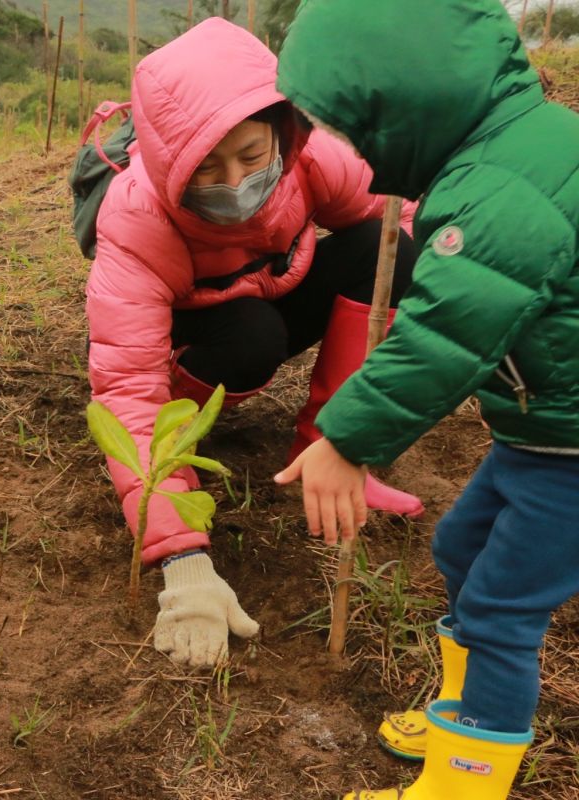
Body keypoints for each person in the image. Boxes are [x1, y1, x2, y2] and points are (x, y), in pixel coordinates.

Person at [273, 0, 579, 797]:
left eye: (348, 120)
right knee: (461, 554)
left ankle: (464, 784)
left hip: (573, 451)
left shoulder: (505, 186)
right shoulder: (505, 151)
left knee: (503, 613)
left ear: (399, 100)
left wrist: (347, 441)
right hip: (543, 432)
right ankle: (460, 713)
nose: (345, 142)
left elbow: (446, 336)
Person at [86, 18, 424, 669]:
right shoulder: (137, 219)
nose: (237, 181)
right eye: (207, 167)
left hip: (272, 293)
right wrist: (183, 562)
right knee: (250, 336)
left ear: (281, 130)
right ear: (167, 164)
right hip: (203, 338)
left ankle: (329, 445)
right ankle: (189, 427)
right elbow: (128, 390)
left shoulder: (312, 159)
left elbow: (395, 216)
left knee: (387, 251)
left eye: (250, 156)